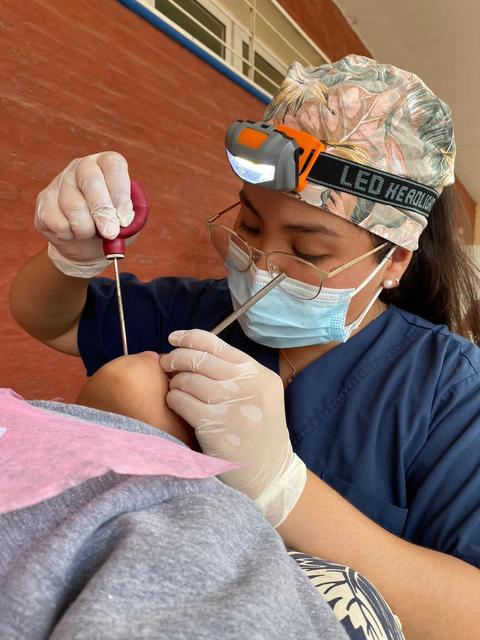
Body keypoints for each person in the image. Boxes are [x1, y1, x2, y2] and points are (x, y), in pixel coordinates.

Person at [10, 55, 480, 639]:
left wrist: (281, 488)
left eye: (308, 253)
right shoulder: (201, 312)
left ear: (396, 261)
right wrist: (69, 258)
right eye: (252, 227)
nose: (261, 265)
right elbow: (53, 321)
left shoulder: (449, 388)